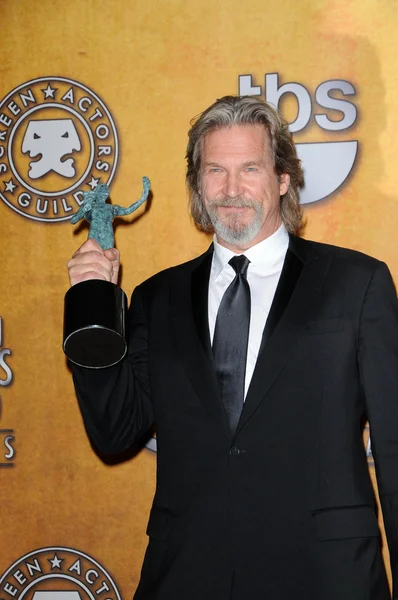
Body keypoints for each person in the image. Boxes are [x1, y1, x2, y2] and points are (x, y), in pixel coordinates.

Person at [67, 96, 398, 600]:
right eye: (215, 170)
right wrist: (94, 304)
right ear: (198, 184)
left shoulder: (357, 282)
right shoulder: (158, 297)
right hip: (187, 572)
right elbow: (115, 432)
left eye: (250, 168)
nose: (231, 189)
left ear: (282, 178)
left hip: (326, 576)